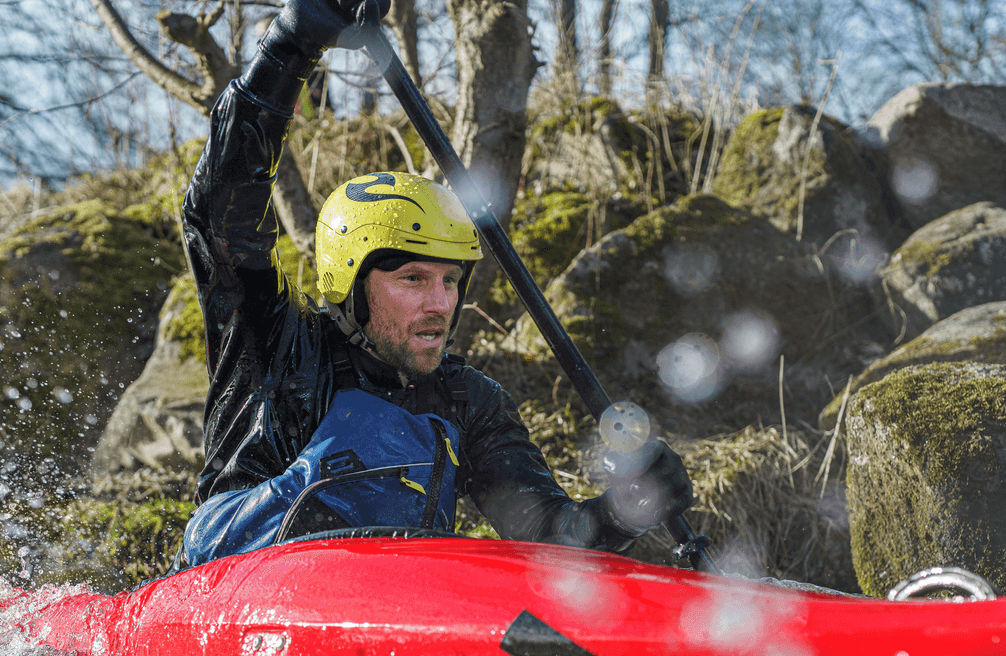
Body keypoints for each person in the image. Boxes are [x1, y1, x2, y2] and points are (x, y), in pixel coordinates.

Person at [178, 0, 696, 566]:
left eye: (451, 280)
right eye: (413, 278)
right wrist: (287, 47)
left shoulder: (467, 400)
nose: (440, 304)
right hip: (233, 593)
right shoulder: (272, 344)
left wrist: (622, 512)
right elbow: (219, 215)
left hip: (380, 618)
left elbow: (548, 538)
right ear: (348, 283)